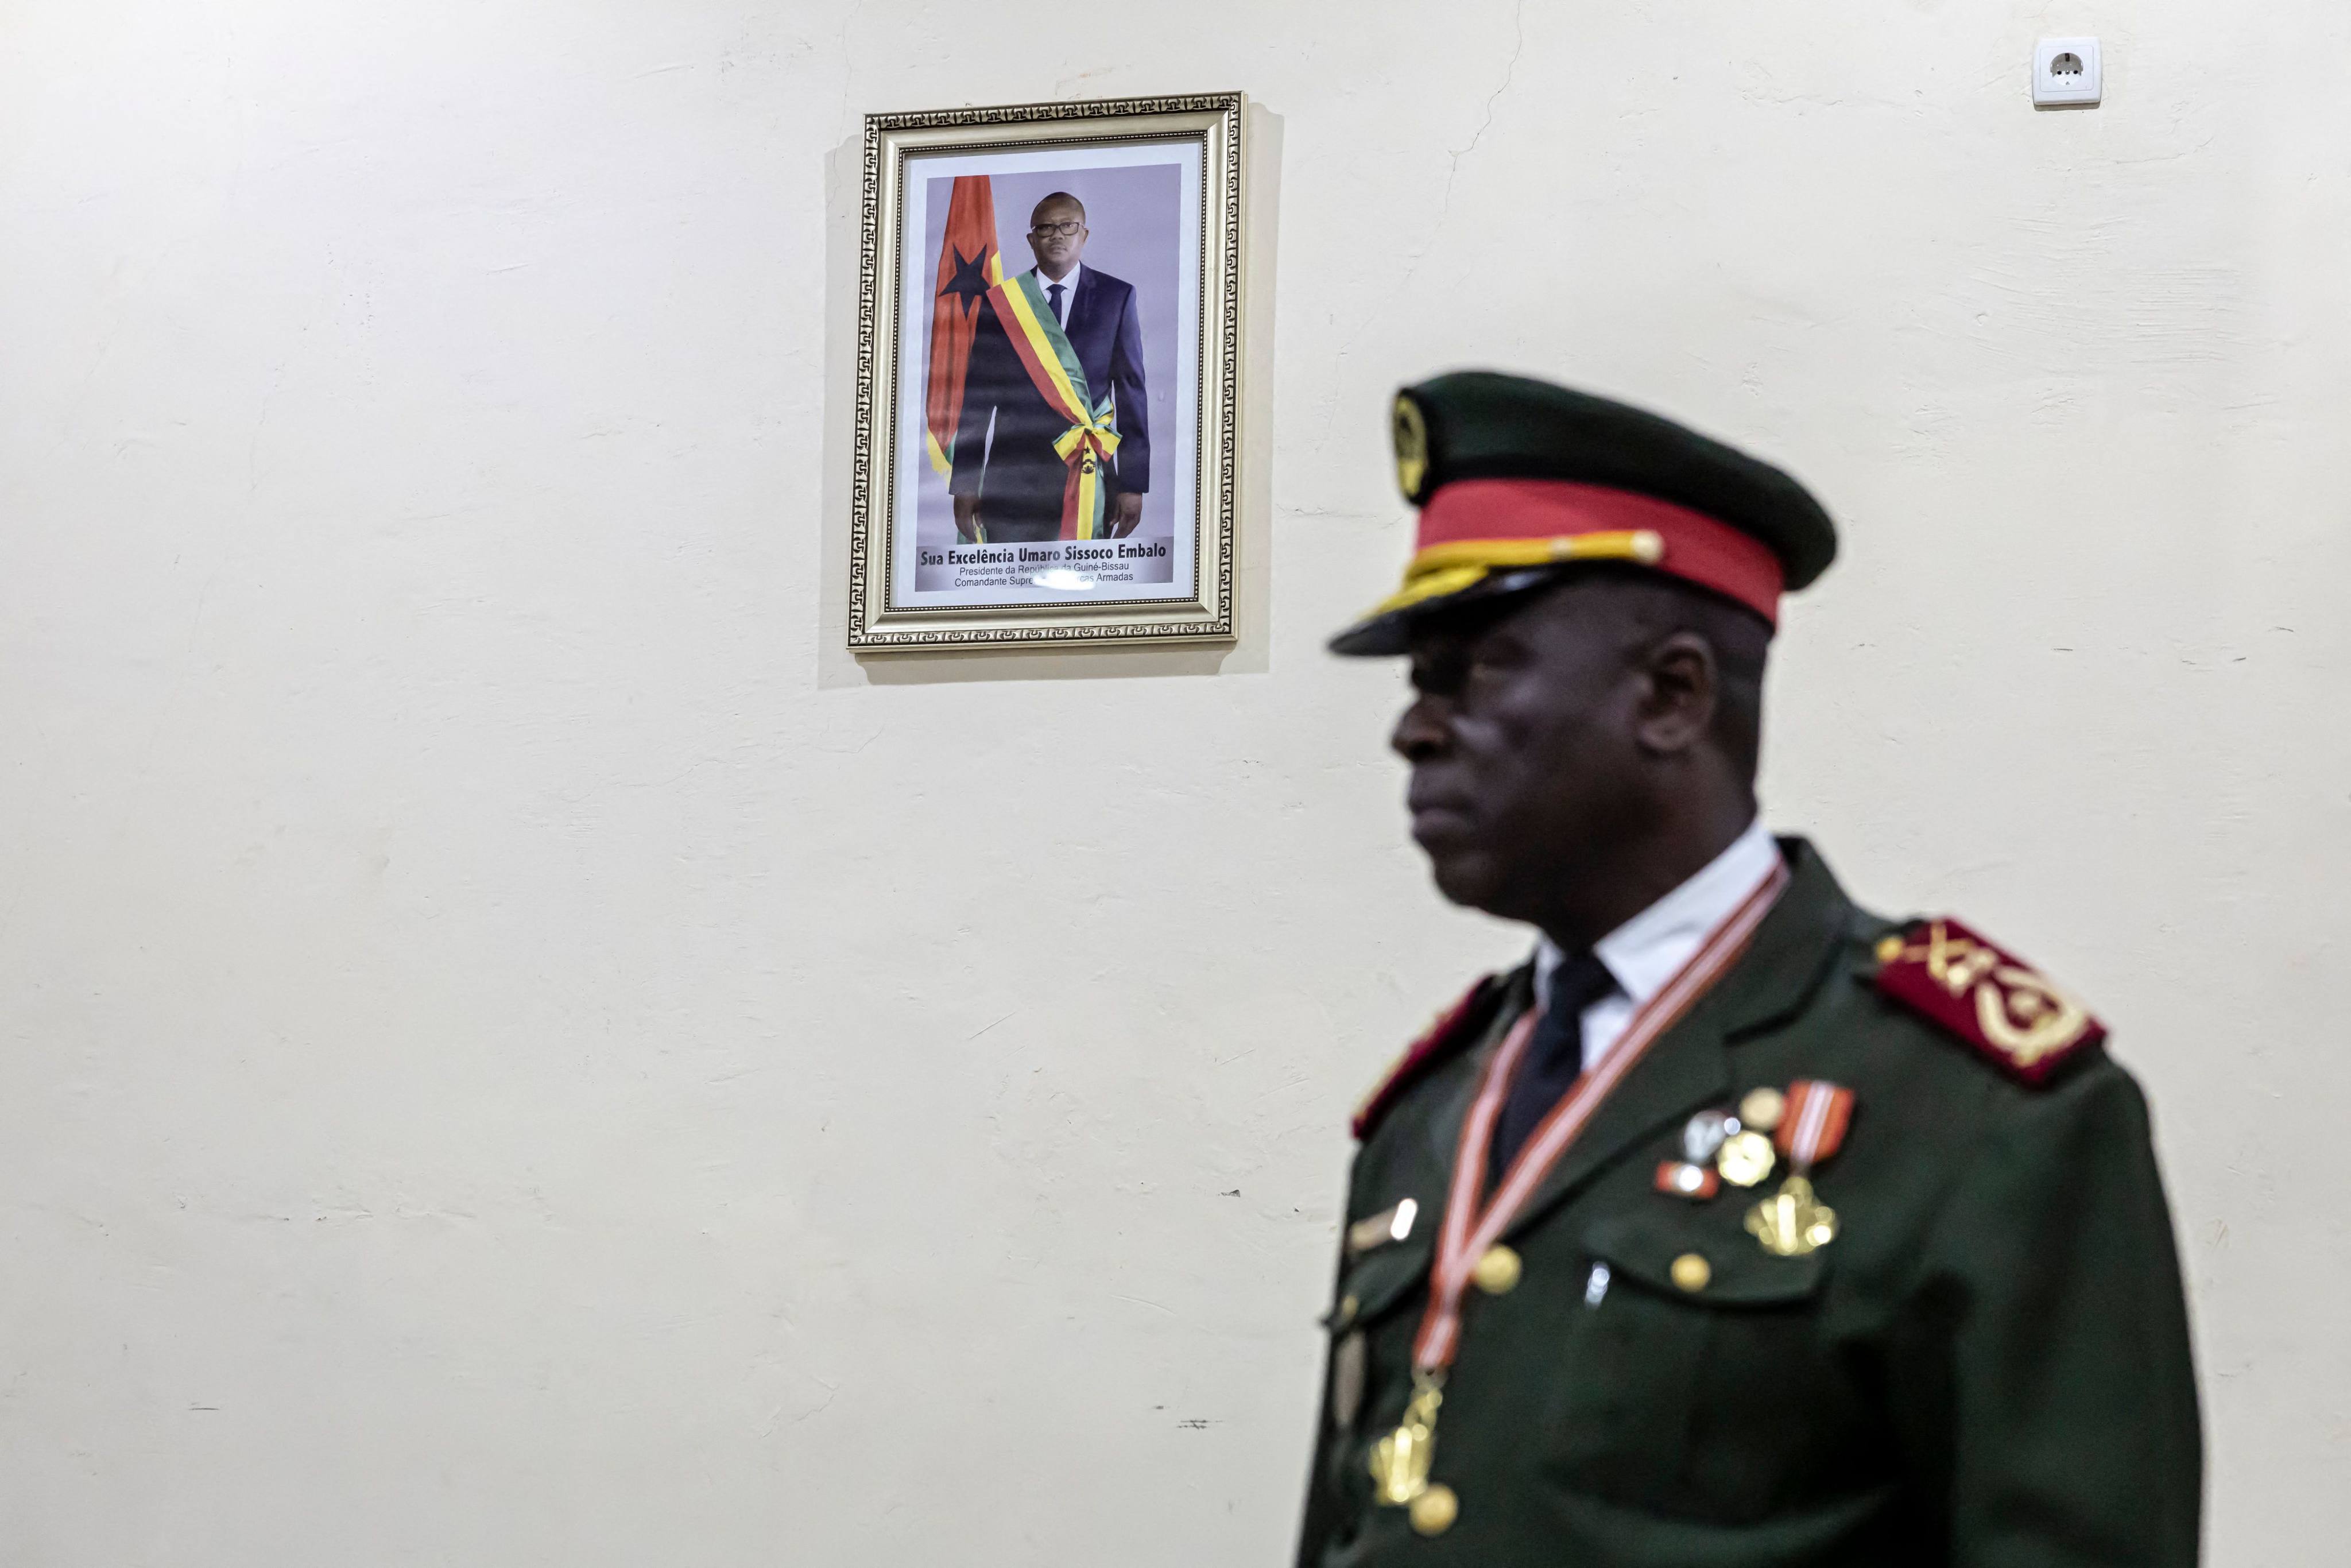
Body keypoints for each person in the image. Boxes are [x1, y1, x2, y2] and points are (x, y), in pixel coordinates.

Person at [1293, 371, 2201, 1566]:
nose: (1413, 729)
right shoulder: (1432, 1110)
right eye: (1419, 685)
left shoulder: (1976, 1116)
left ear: (1671, 697)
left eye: (1473, 670)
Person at [949, 192, 1150, 544]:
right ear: (1031, 240)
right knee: (1009, 593)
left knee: (1085, 591)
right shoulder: (1000, 304)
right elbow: (977, 402)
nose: (1057, 235)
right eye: (1045, 228)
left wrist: (1134, 484)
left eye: (1067, 226)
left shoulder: (1116, 297)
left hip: (1089, 473)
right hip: (1011, 481)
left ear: (1083, 235)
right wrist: (965, 485)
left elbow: (1133, 395)